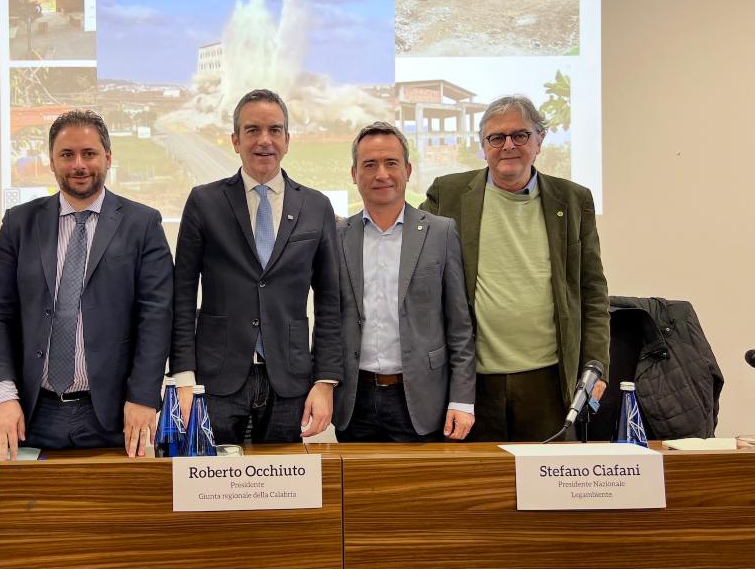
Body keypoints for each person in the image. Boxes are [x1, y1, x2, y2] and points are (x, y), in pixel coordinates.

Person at [0, 109, 173, 460]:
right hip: (30, 413)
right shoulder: (19, 223)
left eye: (89, 153)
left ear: (108, 158)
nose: (78, 164)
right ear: (52, 161)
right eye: (67, 154)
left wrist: (144, 396)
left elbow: (156, 316)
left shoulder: (142, 224)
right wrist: (2, 395)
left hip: (115, 415)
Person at [422, 95, 609, 442]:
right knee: (480, 475)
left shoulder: (573, 200)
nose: (508, 145)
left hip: (549, 381)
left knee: (549, 476)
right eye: (496, 137)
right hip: (471, 382)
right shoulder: (448, 194)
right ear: (483, 146)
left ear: (539, 141)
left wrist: (596, 364)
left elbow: (593, 292)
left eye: (520, 135)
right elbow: (408, 242)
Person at [170, 88, 342, 444]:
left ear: (287, 140)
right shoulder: (204, 202)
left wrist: (325, 381)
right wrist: (183, 378)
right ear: (235, 140)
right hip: (215, 380)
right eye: (252, 130)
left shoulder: (316, 206)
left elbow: (330, 300)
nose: (264, 140)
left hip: (290, 380)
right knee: (213, 477)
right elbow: (182, 296)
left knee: (285, 477)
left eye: (274, 130)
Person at [334, 122, 476, 442]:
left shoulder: (440, 232)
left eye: (391, 163)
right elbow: (329, 321)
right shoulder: (337, 236)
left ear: (408, 170)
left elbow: (460, 326)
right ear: (354, 174)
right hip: (354, 402)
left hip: (422, 401)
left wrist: (462, 400)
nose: (381, 174)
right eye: (370, 165)